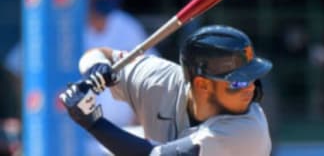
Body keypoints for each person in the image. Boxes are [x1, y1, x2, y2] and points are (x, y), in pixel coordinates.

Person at [4, 0, 157, 155]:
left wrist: (141, 114)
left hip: (121, 133)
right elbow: (16, 65)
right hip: (72, 136)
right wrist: (28, 114)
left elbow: (151, 71)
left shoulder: (127, 26)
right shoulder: (64, 25)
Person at [60, 25, 273, 156]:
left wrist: (94, 123)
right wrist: (95, 69)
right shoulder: (159, 78)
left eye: (252, 77)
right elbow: (99, 53)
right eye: (237, 82)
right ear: (202, 84)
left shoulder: (248, 130)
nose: (250, 88)